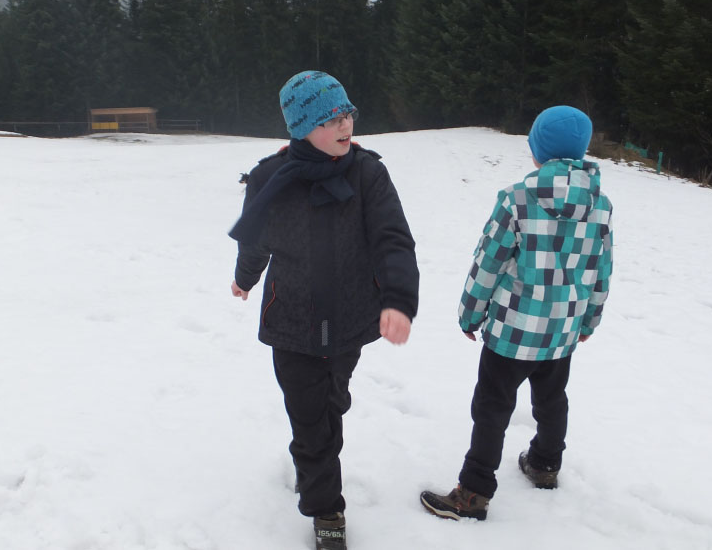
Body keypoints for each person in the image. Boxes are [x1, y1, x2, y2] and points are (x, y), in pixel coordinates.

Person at [230, 71, 420, 550]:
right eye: (331, 119)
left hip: (351, 320)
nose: (345, 125)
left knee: (333, 404)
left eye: (347, 114)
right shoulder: (270, 178)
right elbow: (255, 239)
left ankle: (314, 461)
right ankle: (326, 510)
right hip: (291, 323)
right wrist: (244, 278)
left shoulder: (368, 173)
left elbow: (393, 240)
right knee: (311, 421)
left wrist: (398, 300)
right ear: (301, 126)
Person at [420, 105, 613, 521]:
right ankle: (544, 464)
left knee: (492, 408)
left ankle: (473, 494)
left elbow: (489, 262)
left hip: (512, 331)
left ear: (537, 149)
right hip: (561, 331)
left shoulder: (516, 199)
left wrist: (470, 313)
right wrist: (589, 321)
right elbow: (602, 268)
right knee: (552, 400)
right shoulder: (601, 205)